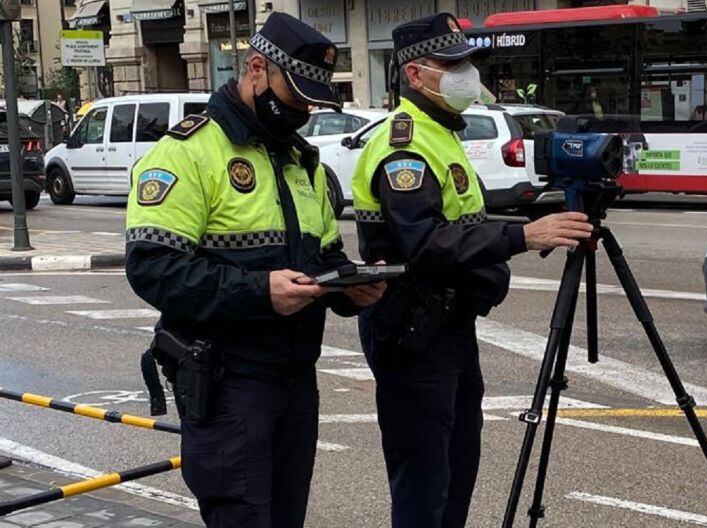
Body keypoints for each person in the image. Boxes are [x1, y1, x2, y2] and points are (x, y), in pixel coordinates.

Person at [125, 12, 384, 528]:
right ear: (257, 70)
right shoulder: (188, 152)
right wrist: (258, 291)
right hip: (227, 381)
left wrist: (348, 286)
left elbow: (322, 255)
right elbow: (152, 268)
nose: (305, 109)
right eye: (297, 96)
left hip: (294, 377)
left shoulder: (300, 160)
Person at [351, 12, 595, 528]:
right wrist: (521, 237)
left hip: (448, 325)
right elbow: (427, 242)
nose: (466, 73)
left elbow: (459, 221)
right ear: (414, 75)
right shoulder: (405, 144)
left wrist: (529, 224)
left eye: (467, 62)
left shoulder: (440, 132)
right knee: (425, 483)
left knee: (457, 466)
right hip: (413, 331)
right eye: (451, 63)